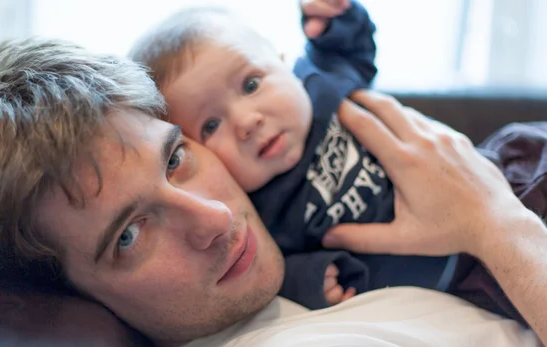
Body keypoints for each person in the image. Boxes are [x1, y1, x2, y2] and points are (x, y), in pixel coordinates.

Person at [0, 38, 547, 347]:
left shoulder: (282, 276)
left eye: (176, 158)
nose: (211, 217)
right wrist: (496, 222)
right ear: (75, 295)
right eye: (128, 236)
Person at [128, 0, 455, 311]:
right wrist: (315, 278)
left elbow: (353, 51)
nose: (247, 122)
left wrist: (333, 19)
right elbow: (274, 272)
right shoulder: (256, 213)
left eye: (251, 84)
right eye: (211, 125)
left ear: (283, 61)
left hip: (473, 184)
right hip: (439, 287)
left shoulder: (320, 83)